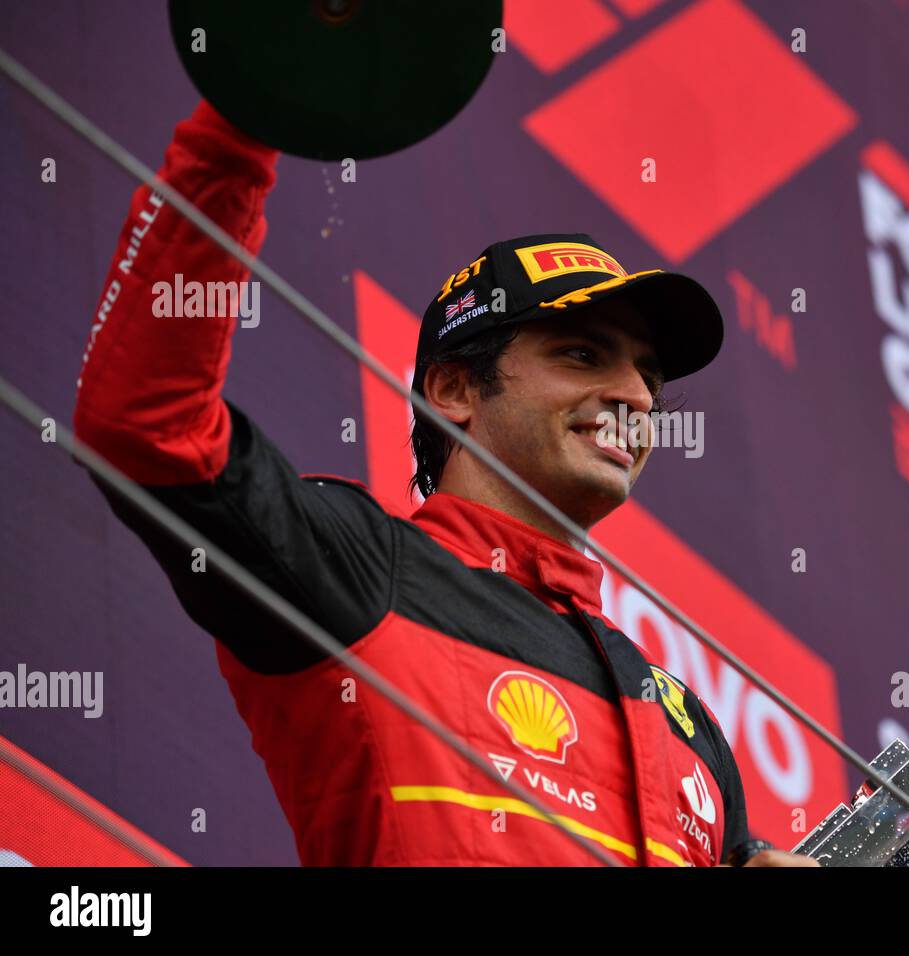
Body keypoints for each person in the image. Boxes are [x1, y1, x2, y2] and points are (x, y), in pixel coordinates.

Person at [73, 100, 816, 867]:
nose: (636, 397)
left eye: (650, 378)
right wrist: (239, 128)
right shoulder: (362, 567)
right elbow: (146, 426)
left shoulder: (689, 726)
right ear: (455, 389)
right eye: (582, 354)